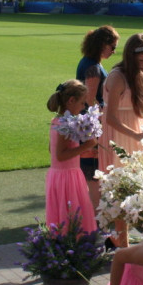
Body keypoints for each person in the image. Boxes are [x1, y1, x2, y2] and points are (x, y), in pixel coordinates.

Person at [99, 33, 143, 246]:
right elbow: (110, 118)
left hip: (133, 132)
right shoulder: (117, 77)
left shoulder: (137, 74)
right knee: (123, 190)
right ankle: (122, 243)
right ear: (131, 57)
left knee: (139, 187)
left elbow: (140, 115)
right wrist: (137, 135)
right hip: (119, 136)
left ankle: (129, 239)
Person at [45, 80, 98, 231]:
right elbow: (60, 155)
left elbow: (52, 150)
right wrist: (86, 146)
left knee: (66, 213)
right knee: (72, 213)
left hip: (60, 175)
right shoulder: (65, 124)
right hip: (67, 177)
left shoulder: (57, 121)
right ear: (71, 101)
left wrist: (83, 150)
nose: (83, 108)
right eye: (82, 103)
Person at [76, 25, 120, 207]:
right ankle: (94, 216)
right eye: (113, 47)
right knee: (93, 173)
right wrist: (107, 111)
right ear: (103, 44)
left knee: (91, 172)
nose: (114, 51)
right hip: (91, 125)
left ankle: (91, 213)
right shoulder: (93, 67)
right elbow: (89, 99)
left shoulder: (89, 62)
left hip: (87, 123)